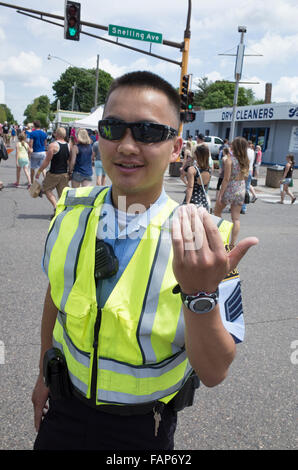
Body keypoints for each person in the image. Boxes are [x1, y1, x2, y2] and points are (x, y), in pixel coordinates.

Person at [32, 71, 258, 451]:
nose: (127, 145)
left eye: (148, 132)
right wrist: (42, 375)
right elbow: (56, 295)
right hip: (63, 409)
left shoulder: (206, 237)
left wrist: (198, 294)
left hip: (142, 430)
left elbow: (215, 371)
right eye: (114, 128)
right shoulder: (70, 209)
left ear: (175, 148)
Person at [214, 137, 249, 248]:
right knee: (236, 218)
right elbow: (246, 176)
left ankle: (220, 238)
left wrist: (220, 194)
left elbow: (226, 179)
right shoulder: (245, 160)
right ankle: (232, 244)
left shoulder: (230, 160)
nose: (231, 146)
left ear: (235, 146)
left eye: (232, 144)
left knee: (217, 212)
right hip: (241, 188)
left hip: (230, 188)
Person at [35, 127, 70, 216]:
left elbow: (47, 161)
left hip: (54, 173)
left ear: (56, 134)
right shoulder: (69, 146)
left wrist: (39, 171)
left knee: (46, 189)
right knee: (62, 194)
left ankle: (56, 207)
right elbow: (69, 161)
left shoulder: (53, 145)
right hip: (64, 173)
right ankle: (63, 212)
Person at [183, 144, 211, 211]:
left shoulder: (192, 170)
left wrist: (187, 203)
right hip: (203, 202)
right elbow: (205, 187)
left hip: (193, 201)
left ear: (197, 154)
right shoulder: (209, 170)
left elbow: (190, 188)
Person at [241, 140, 258, 213]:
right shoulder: (252, 152)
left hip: (245, 170)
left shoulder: (245, 151)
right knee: (247, 189)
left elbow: (244, 161)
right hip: (250, 170)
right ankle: (244, 208)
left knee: (241, 189)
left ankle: (239, 206)